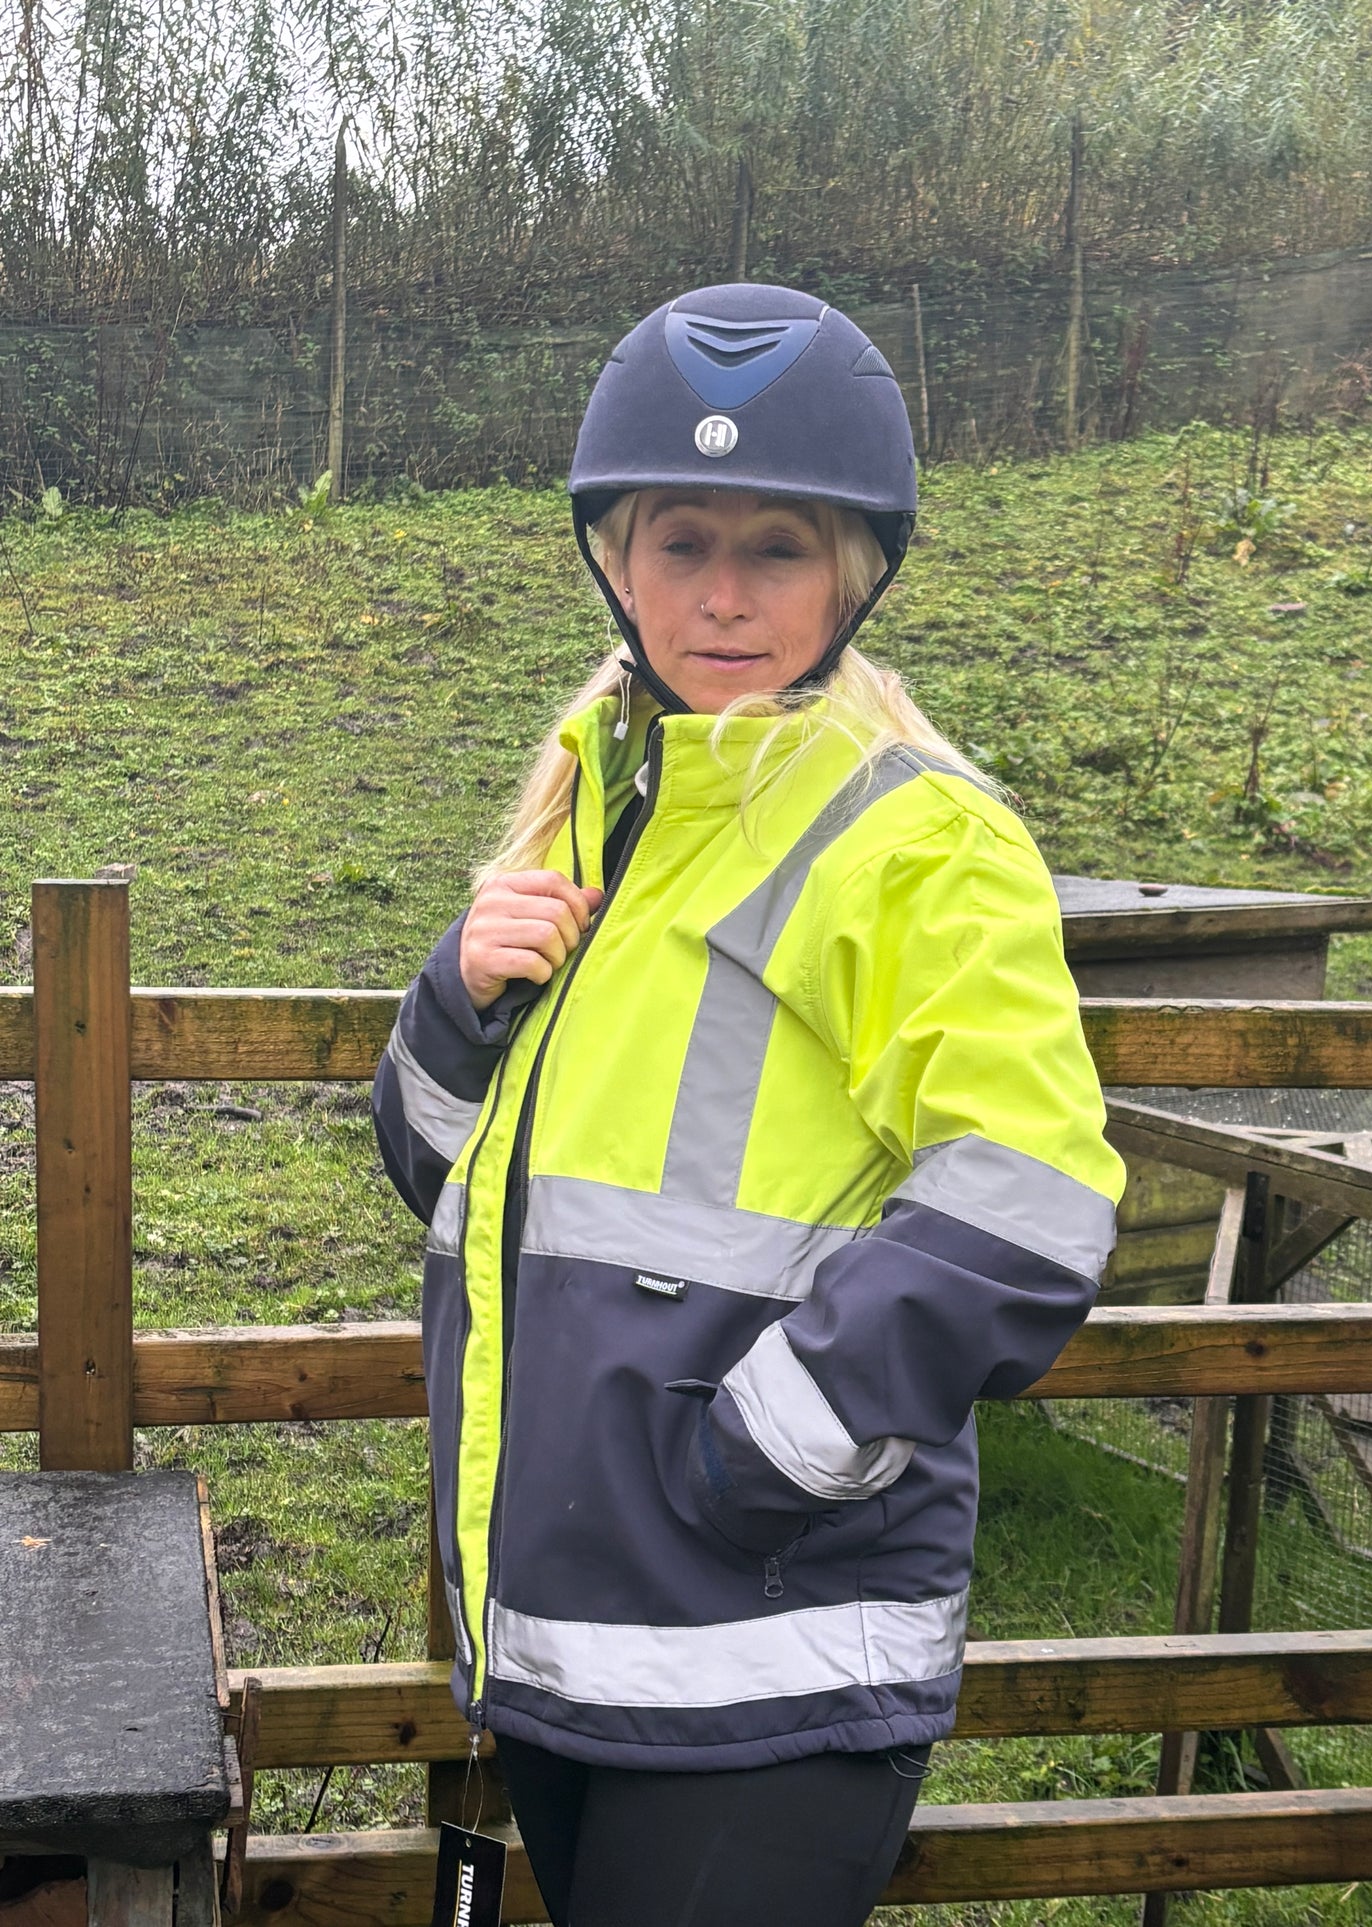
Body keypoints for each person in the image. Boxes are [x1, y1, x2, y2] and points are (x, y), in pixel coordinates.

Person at [373, 283, 1125, 1927]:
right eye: (680, 542)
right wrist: (458, 1000)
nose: (720, 597)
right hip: (572, 1635)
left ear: (852, 572)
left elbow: (1029, 1201)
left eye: (774, 548)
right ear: (611, 561)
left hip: (766, 1641)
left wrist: (760, 1454)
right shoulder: (591, 803)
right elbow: (448, 1186)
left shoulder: (918, 838)